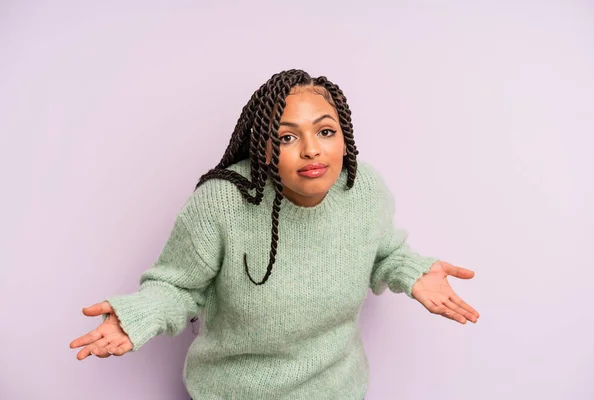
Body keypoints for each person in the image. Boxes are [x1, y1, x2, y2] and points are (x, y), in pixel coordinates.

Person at [69, 69, 479, 399]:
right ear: (262, 146)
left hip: (338, 389)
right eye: (286, 137)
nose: (311, 149)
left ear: (343, 137)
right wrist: (138, 316)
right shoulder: (223, 200)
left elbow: (383, 251)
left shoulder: (362, 188)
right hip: (231, 392)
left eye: (325, 131)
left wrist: (414, 272)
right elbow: (178, 287)